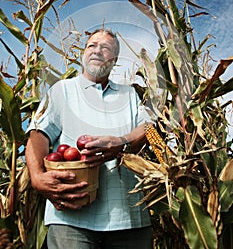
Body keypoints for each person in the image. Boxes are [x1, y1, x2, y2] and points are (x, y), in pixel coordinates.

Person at [25, 28, 154, 249]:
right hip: (71, 216)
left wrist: (121, 142)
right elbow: (38, 135)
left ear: (114, 60)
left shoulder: (130, 94)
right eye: (91, 46)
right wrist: (37, 178)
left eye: (105, 48)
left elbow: (149, 129)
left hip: (128, 216)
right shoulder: (61, 90)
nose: (97, 51)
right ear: (84, 53)